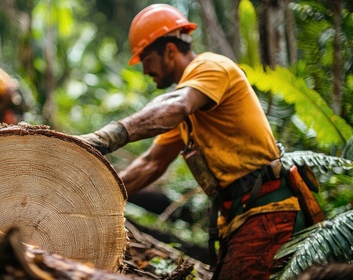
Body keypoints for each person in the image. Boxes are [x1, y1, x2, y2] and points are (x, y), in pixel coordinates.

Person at [77, 4, 307, 279]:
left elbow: (176, 105)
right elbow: (151, 163)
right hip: (244, 217)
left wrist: (103, 139)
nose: (146, 70)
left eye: (147, 59)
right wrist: (95, 197)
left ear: (170, 51)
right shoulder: (188, 108)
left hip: (268, 213)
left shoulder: (210, 67)